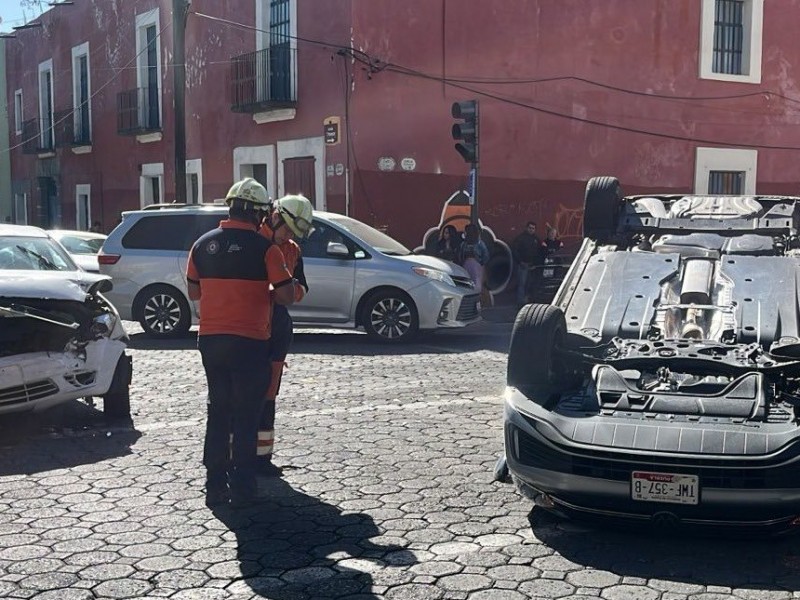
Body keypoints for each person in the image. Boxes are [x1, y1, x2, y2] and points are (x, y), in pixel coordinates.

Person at [186, 177, 299, 507]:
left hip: (210, 340)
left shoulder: (202, 244)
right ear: (258, 213)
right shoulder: (267, 250)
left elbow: (195, 292)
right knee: (248, 414)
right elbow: (287, 296)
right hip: (250, 341)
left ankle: (214, 482)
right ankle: (244, 483)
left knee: (218, 409)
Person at [256, 194, 313, 476]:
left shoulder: (293, 250)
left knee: (269, 394)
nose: (289, 236)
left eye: (294, 233)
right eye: (287, 229)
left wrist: (288, 292)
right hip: (251, 325)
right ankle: (236, 457)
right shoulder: (254, 242)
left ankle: (263, 458)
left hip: (277, 325)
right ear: (275, 217)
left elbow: (301, 285)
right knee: (244, 394)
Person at [511, 221, 542, 306]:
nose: (531, 230)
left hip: (533, 265)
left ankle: (529, 302)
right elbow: (515, 250)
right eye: (530, 228)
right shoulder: (520, 238)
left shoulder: (536, 239)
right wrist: (520, 262)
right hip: (523, 265)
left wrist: (536, 264)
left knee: (531, 284)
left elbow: (539, 252)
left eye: (533, 228)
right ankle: (520, 303)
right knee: (522, 284)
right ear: (526, 228)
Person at [458, 223, 489, 290]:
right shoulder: (463, 244)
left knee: (476, 285)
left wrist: (480, 263)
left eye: (465, 231)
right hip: (467, 266)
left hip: (476, 267)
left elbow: (486, 256)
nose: (464, 233)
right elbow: (460, 256)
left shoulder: (480, 244)